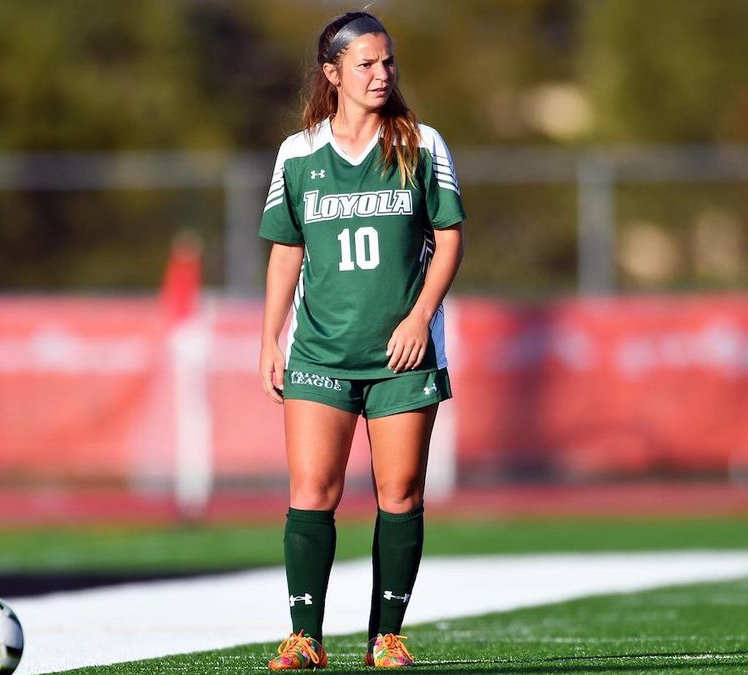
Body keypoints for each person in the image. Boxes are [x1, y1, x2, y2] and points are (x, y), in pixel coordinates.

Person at [257, 10, 465, 671]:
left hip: (402, 355)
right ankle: (304, 636)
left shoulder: (421, 144)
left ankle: (387, 636)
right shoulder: (298, 154)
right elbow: (287, 250)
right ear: (333, 72)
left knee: (399, 493)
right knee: (311, 488)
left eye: (388, 61)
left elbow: (450, 237)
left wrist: (419, 315)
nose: (382, 74)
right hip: (319, 350)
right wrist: (270, 339)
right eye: (366, 64)